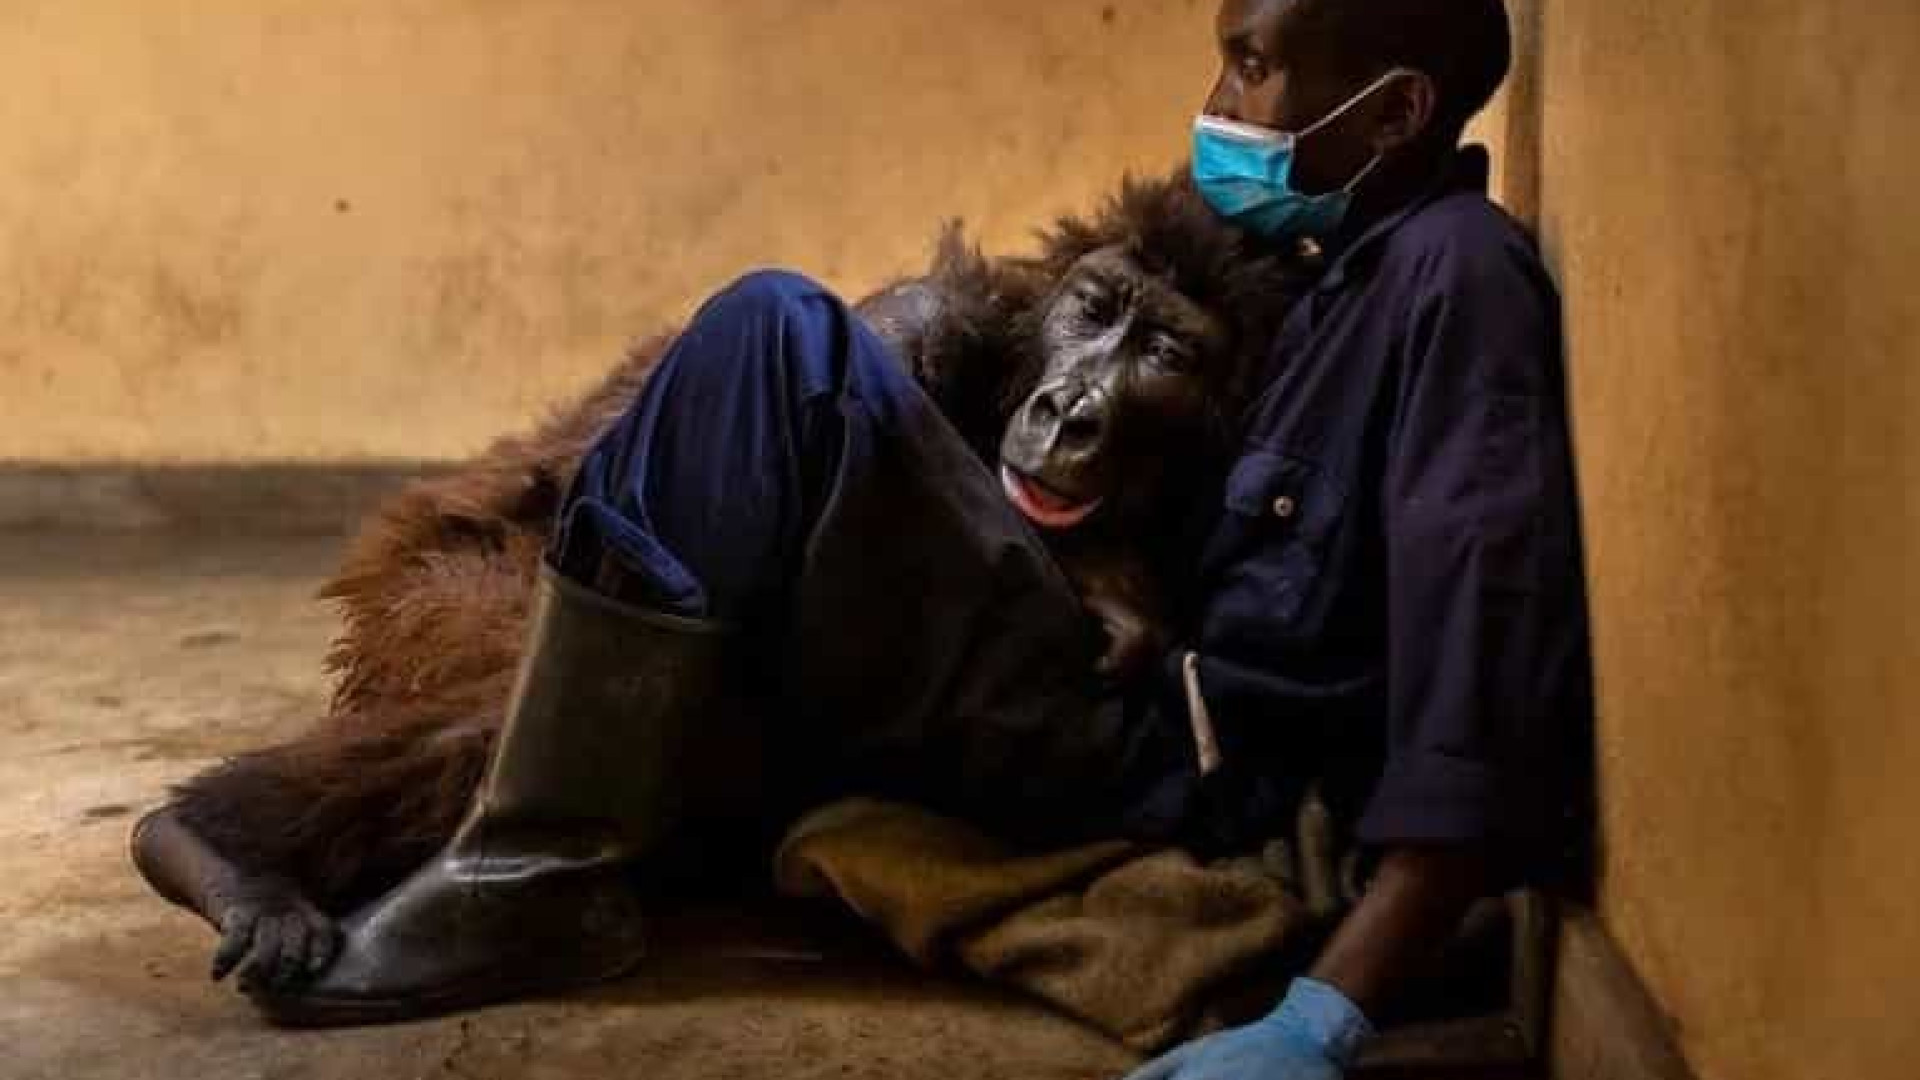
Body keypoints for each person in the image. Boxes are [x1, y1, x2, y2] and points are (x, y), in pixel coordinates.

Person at [255, 1, 1592, 1077]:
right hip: (1102, 681)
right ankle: (522, 837)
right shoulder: (1315, 278)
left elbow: (1485, 657)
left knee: (778, 336)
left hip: (1155, 765)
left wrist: (1327, 1017)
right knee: (772, 378)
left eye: (1251, 69)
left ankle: (532, 868)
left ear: (1400, 110)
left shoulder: (1453, 279)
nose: (1220, 113)